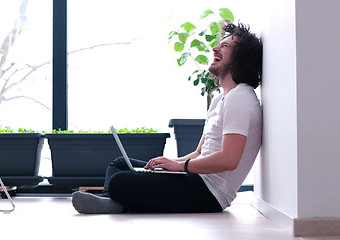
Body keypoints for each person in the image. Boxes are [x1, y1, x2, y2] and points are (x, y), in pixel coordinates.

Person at [71, 21, 263, 214]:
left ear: (239, 59)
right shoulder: (221, 98)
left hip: (210, 193)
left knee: (119, 181)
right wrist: (170, 163)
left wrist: (181, 167)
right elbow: (198, 153)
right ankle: (110, 203)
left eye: (225, 46)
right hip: (196, 178)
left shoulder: (240, 98)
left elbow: (229, 159)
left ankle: (114, 201)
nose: (215, 48)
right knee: (119, 164)